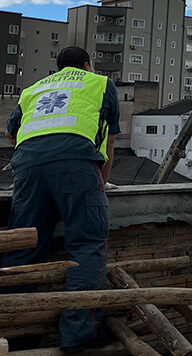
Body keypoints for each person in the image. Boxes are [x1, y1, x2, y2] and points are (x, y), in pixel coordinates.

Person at [2, 46, 120, 353]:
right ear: (86, 65)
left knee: (25, 245)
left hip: (27, 167)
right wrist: (101, 184)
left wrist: (34, 156)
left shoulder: (33, 89)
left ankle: (17, 331)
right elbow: (109, 139)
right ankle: (79, 335)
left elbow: (10, 133)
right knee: (87, 244)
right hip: (77, 165)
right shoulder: (99, 84)